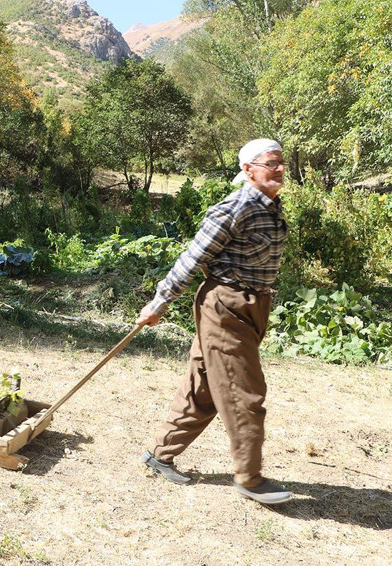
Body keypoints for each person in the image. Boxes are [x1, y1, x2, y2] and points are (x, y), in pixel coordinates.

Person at [137, 138, 291, 505]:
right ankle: (249, 478)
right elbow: (190, 260)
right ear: (248, 169)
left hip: (253, 306)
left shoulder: (270, 206)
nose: (280, 169)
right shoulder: (234, 208)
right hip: (226, 307)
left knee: (203, 384)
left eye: (281, 162)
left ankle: (160, 453)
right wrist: (159, 303)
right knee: (243, 393)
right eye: (271, 163)